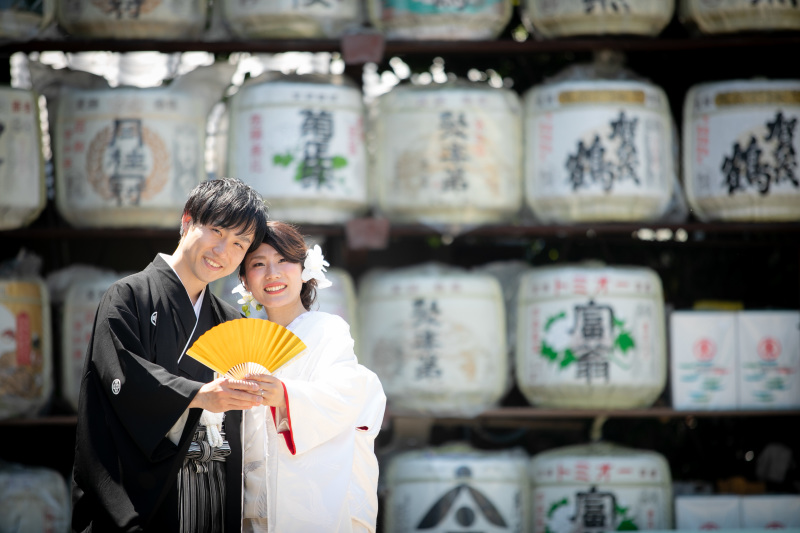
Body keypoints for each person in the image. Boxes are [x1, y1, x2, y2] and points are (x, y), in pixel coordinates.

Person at [71, 177, 270, 533]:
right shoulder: (128, 297)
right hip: (143, 500)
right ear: (187, 220)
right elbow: (123, 378)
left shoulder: (231, 320)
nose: (223, 251)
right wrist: (197, 395)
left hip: (213, 495)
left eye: (240, 244)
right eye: (217, 231)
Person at [235, 221, 386, 533]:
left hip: (315, 503)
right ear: (245, 280)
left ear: (305, 270)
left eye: (283, 261)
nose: (272, 274)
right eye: (258, 264)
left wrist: (285, 396)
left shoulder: (328, 331)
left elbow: (343, 397)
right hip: (255, 502)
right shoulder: (242, 343)